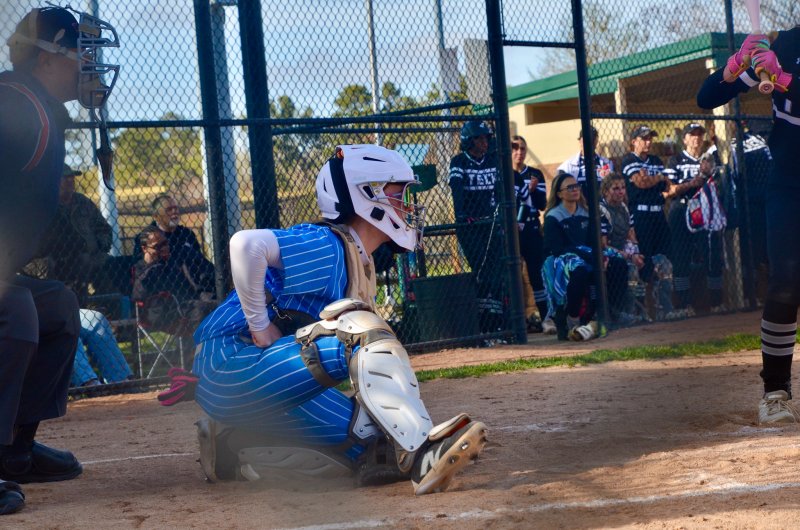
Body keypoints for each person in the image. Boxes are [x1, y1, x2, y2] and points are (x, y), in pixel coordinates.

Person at [192, 145, 487, 495]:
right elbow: (245, 245)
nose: (408, 206)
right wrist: (259, 327)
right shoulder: (328, 244)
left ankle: (230, 450)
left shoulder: (357, 259)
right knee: (359, 331)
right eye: (399, 194)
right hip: (228, 362)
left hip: (252, 384)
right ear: (367, 196)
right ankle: (422, 452)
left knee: (372, 444)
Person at [0, 6, 119, 514]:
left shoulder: (40, 109)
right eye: (81, 53)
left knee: (57, 306)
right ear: (49, 57)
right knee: (17, 313)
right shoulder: (14, 104)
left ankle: (13, 451)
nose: (89, 66)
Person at [697, 27, 800, 424]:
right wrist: (735, 69)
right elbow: (706, 99)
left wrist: (783, 78)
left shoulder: (782, 59)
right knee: (787, 279)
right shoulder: (784, 43)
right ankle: (775, 391)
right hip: (790, 185)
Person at [541, 172, 625, 341]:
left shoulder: (586, 212)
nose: (575, 189)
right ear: (559, 194)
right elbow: (557, 249)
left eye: (576, 186)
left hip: (586, 252)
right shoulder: (553, 217)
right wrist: (589, 256)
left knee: (618, 262)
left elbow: (593, 242)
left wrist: (599, 256)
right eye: (569, 187)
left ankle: (614, 311)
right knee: (579, 270)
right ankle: (572, 317)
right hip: (562, 258)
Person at [23, 164, 112, 304]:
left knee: (106, 265)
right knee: (47, 266)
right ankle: (52, 307)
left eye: (72, 177)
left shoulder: (82, 202)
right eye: (65, 178)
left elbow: (103, 228)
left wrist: (101, 244)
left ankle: (105, 309)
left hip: (84, 254)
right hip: (49, 256)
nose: (70, 181)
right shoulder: (44, 205)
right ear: (53, 180)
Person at [449, 121, 505, 333]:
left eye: (486, 138)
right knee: (482, 271)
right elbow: (457, 190)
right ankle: (483, 322)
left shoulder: (493, 160)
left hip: (490, 223)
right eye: (479, 138)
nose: (484, 142)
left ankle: (496, 321)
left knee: (496, 271)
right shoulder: (459, 161)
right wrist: (462, 214)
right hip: (471, 226)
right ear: (468, 141)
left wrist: (499, 212)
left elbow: (500, 191)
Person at [664, 123, 725, 315]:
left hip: (705, 210)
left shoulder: (711, 158)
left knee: (712, 255)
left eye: (699, 135)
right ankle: (684, 306)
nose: (696, 138)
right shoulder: (676, 160)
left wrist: (709, 175)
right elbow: (670, 190)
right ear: (685, 139)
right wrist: (693, 183)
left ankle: (717, 303)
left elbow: (721, 183)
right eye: (692, 135)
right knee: (681, 257)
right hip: (682, 208)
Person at [620, 125, 678, 320]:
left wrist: (655, 178)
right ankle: (641, 312)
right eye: (643, 138)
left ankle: (665, 309)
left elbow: (667, 186)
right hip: (641, 216)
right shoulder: (628, 160)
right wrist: (658, 178)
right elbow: (641, 183)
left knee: (665, 260)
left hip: (658, 215)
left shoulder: (654, 160)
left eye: (650, 138)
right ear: (633, 141)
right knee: (643, 264)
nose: (648, 142)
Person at [133, 226, 214, 330]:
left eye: (165, 244)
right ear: (145, 248)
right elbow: (139, 295)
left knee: (213, 305)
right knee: (202, 309)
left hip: (181, 306)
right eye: (158, 246)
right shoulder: (141, 269)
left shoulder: (169, 263)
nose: (164, 248)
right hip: (158, 312)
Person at [134, 194, 215, 296]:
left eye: (176, 208)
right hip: (166, 283)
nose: (174, 212)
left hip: (195, 280)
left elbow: (199, 261)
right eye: (169, 209)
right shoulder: (146, 237)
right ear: (156, 216)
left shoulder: (187, 234)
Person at [511, 135, 549, 332]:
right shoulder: (503, 174)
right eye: (514, 148)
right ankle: (517, 321)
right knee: (513, 275)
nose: (519, 152)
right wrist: (526, 189)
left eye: (522, 148)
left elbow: (542, 204)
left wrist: (532, 191)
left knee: (537, 274)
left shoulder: (535, 174)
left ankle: (546, 317)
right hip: (511, 231)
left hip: (531, 227)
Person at [599, 173, 647, 325]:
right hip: (608, 254)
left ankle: (658, 310)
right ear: (606, 191)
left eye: (623, 188)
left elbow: (631, 234)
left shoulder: (625, 207)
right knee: (631, 269)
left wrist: (637, 253)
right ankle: (625, 313)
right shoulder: (601, 210)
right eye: (615, 188)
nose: (621, 192)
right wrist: (629, 256)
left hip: (625, 251)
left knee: (662, 263)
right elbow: (604, 245)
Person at [70, 308, 132, 387]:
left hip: (66, 308)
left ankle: (120, 381)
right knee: (65, 326)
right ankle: (89, 383)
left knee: (95, 318)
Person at [557, 126, 614, 198]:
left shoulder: (607, 163)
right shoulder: (567, 166)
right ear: (580, 141)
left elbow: (611, 187)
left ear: (596, 141)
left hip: (601, 205)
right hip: (578, 206)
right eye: (586, 139)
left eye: (593, 139)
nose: (589, 141)